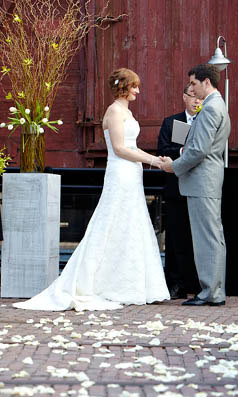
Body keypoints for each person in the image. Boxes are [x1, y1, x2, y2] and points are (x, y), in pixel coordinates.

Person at [13, 68, 170, 311]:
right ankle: (105, 284)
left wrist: (152, 161)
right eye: (134, 86)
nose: (138, 91)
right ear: (123, 88)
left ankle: (137, 285)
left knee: (132, 222)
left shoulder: (125, 111)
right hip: (121, 173)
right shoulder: (115, 111)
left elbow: (132, 146)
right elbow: (119, 148)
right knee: (113, 221)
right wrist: (152, 161)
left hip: (132, 174)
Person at [159, 64, 230, 307]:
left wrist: (173, 166)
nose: (190, 88)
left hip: (202, 181)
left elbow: (199, 150)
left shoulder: (210, 108)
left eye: (193, 83)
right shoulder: (217, 105)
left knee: (207, 238)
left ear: (206, 82)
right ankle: (214, 290)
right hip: (206, 180)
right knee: (212, 236)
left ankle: (210, 292)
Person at [157, 85, 203, 299]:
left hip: (200, 186)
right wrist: (182, 151)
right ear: (184, 97)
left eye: (200, 98)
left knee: (198, 236)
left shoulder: (207, 119)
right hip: (176, 187)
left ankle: (198, 283)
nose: (196, 102)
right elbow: (163, 150)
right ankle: (176, 283)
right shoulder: (172, 122)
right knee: (176, 237)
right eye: (192, 97)